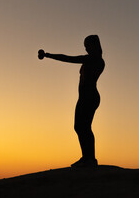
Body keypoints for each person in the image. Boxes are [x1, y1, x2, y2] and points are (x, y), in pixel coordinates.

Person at [38, 35, 105, 167]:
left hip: (89, 97)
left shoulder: (94, 59)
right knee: (80, 127)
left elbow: (69, 58)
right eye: (85, 45)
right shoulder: (92, 59)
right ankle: (87, 157)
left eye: (88, 45)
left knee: (84, 127)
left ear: (95, 45)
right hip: (85, 97)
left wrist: (48, 55)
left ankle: (90, 159)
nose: (85, 48)